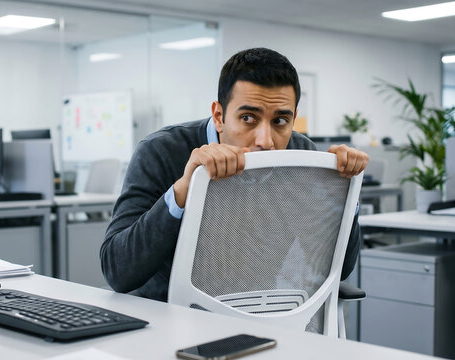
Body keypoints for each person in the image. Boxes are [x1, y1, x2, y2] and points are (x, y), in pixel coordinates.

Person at [101, 48, 369, 302]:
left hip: (259, 311)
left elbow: (337, 267)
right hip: (167, 312)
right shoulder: (161, 151)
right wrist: (183, 190)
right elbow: (118, 272)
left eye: (280, 121)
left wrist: (341, 196)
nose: (265, 140)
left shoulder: (300, 156)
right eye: (248, 118)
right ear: (219, 116)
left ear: (294, 117)